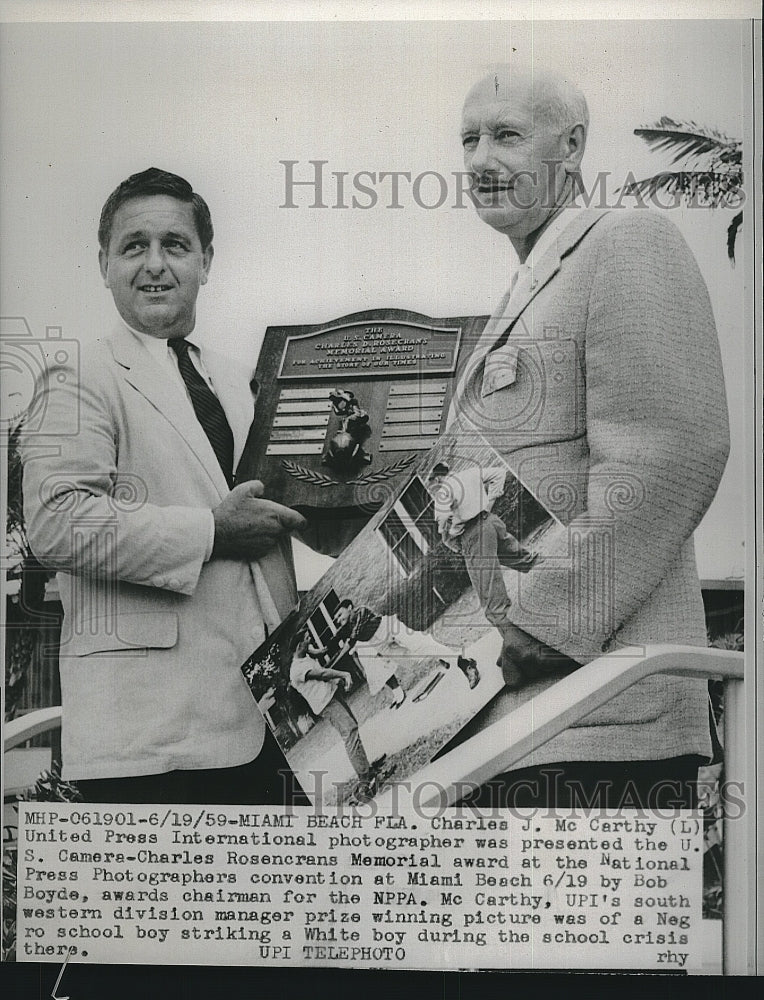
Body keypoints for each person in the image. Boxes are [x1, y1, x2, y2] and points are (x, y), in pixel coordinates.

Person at [448, 67, 730, 808]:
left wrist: (545, 623)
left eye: (507, 135)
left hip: (600, 719)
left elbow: (673, 454)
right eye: (469, 139)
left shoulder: (629, 241)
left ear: (571, 146)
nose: (480, 160)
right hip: (519, 727)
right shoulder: (528, 287)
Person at [19, 168, 308, 805]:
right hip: (148, 739)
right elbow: (58, 525)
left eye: (175, 245)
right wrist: (211, 530)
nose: (155, 264)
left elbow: (284, 514)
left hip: (274, 723)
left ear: (207, 259)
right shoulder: (75, 374)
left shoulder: (243, 381)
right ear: (103, 264)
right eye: (134, 246)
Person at [427, 461, 537, 631]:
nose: (432, 488)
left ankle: (517, 637)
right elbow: (499, 473)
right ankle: (557, 574)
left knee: (489, 592)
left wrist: (447, 532)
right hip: (491, 522)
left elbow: (442, 516)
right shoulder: (470, 473)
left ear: (438, 478)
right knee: (524, 559)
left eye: (432, 483)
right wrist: (489, 503)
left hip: (473, 536)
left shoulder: (444, 490)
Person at [288, 631, 377, 790]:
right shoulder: (296, 670)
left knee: (352, 728)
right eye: (307, 639)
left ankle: (367, 769)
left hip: (332, 696)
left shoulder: (303, 656)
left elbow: (314, 651)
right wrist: (344, 674)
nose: (310, 641)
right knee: (349, 733)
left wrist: (319, 650)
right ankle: (364, 778)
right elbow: (322, 674)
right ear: (299, 645)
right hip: (326, 703)